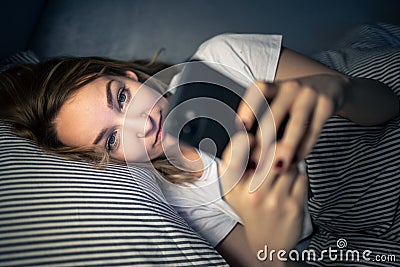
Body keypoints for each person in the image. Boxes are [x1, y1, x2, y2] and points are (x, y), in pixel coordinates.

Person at [1, 23, 399, 266]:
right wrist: (270, 240)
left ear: (129, 76)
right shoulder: (178, 200)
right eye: (113, 138)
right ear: (102, 159)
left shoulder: (220, 58)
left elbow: (387, 106)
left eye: (121, 98)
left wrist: (339, 90)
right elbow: (265, 259)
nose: (141, 123)